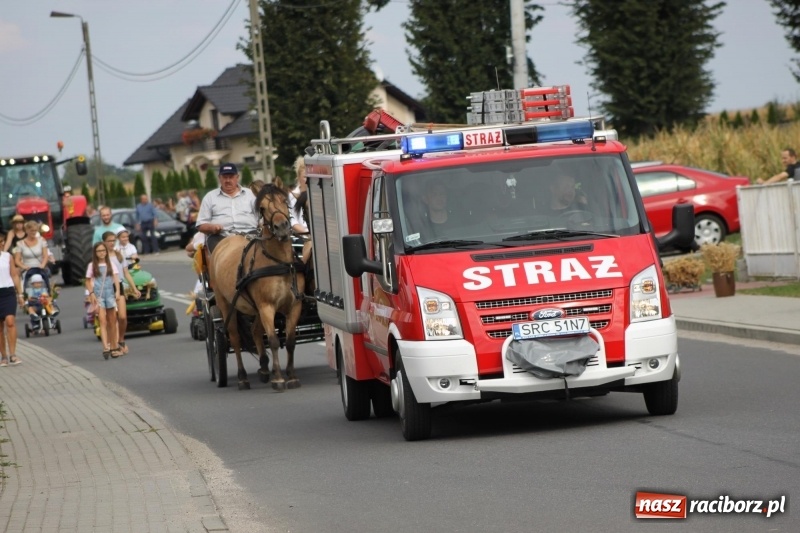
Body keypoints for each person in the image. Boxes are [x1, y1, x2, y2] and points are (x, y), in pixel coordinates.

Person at [195, 163, 258, 255]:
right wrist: (212, 228)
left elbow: (261, 219)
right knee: (221, 256)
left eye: (231, 177)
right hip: (221, 236)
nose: (228, 180)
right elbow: (200, 225)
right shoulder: (210, 197)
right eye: (225, 177)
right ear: (219, 178)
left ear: (237, 177)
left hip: (250, 234)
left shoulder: (251, 195)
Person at [103, 231, 140, 355]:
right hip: (107, 287)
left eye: (114, 240)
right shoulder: (103, 256)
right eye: (109, 241)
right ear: (104, 242)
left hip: (119, 285)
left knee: (123, 317)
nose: (112, 243)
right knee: (111, 318)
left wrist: (134, 288)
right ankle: (112, 343)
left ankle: (121, 339)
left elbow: (126, 273)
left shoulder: (119, 256)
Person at [86, 241, 122, 359]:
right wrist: (91, 293)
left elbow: (115, 278)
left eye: (103, 251)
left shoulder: (110, 264)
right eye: (99, 251)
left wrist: (117, 291)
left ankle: (113, 346)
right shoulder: (92, 265)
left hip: (110, 294)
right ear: (95, 253)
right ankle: (105, 347)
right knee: (102, 320)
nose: (101, 253)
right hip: (99, 295)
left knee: (112, 320)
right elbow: (88, 280)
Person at [0, 232, 24, 366]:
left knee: (10, 321)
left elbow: (14, 275)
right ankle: (3, 356)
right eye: (0, 242)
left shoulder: (7, 256)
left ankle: (13, 354)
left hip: (8, 292)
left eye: (3, 241)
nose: (3, 244)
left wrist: (20, 294)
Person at [14, 221, 49, 286]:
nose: (34, 232)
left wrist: (43, 265)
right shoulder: (20, 243)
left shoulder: (41, 240)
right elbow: (17, 260)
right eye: (31, 231)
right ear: (27, 230)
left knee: (44, 289)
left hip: (39, 269)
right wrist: (24, 267)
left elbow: (45, 255)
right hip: (27, 270)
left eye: (35, 231)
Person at [288, 156, 309, 234]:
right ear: (298, 177)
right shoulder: (291, 196)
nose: (308, 180)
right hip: (300, 235)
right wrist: (305, 232)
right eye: (305, 177)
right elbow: (292, 219)